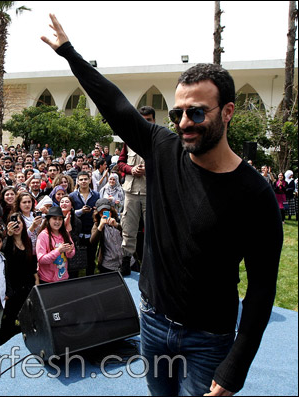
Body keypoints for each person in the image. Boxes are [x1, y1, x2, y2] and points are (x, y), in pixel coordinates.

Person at [41, 14, 282, 396]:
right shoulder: (162, 148)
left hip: (209, 340)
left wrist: (236, 364)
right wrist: (70, 54)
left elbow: (263, 289)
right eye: (178, 113)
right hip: (152, 324)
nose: (185, 122)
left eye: (197, 112)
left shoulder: (255, 196)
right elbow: (116, 105)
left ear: (229, 112)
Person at [116, 106, 156, 275]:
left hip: (152, 192)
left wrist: (150, 169)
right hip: (131, 191)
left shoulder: (159, 140)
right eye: (142, 119)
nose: (145, 123)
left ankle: (152, 264)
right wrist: (131, 170)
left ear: (154, 120)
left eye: (149, 120)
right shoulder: (129, 139)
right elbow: (120, 163)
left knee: (153, 230)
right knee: (128, 227)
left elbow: (167, 165)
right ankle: (126, 261)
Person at [0, 212, 38, 343]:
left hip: (27, 286)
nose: (17, 225)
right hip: (12, 287)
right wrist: (8, 235)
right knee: (10, 318)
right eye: (13, 223)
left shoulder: (27, 241)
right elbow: (4, 254)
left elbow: (32, 263)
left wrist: (36, 282)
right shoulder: (8, 243)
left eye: (19, 223)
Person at [35, 206, 75, 284]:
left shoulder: (65, 233)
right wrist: (58, 251)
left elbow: (72, 253)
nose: (57, 222)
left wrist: (69, 252)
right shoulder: (43, 235)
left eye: (60, 219)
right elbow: (41, 259)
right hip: (47, 280)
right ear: (48, 220)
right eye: (54, 218)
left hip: (63, 277)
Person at [90, 198, 123, 273]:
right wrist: (100, 227)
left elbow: (128, 234)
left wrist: (117, 225)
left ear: (111, 211)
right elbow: (93, 241)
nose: (104, 215)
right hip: (108, 264)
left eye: (106, 212)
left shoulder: (119, 220)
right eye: (101, 213)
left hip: (126, 262)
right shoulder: (97, 224)